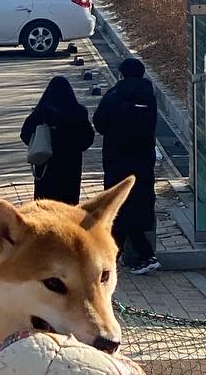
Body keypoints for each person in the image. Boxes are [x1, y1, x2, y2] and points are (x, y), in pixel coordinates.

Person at [93, 56, 160, 272]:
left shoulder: (114, 95)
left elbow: (99, 123)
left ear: (121, 74)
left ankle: (144, 256)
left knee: (118, 207)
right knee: (136, 204)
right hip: (143, 159)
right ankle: (115, 257)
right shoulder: (149, 96)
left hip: (117, 160)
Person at [19, 75, 95, 204]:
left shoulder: (40, 113)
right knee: (68, 203)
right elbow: (87, 138)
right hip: (70, 166)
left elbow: (25, 134)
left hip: (46, 164)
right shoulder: (77, 113)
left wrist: (39, 140)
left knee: (45, 203)